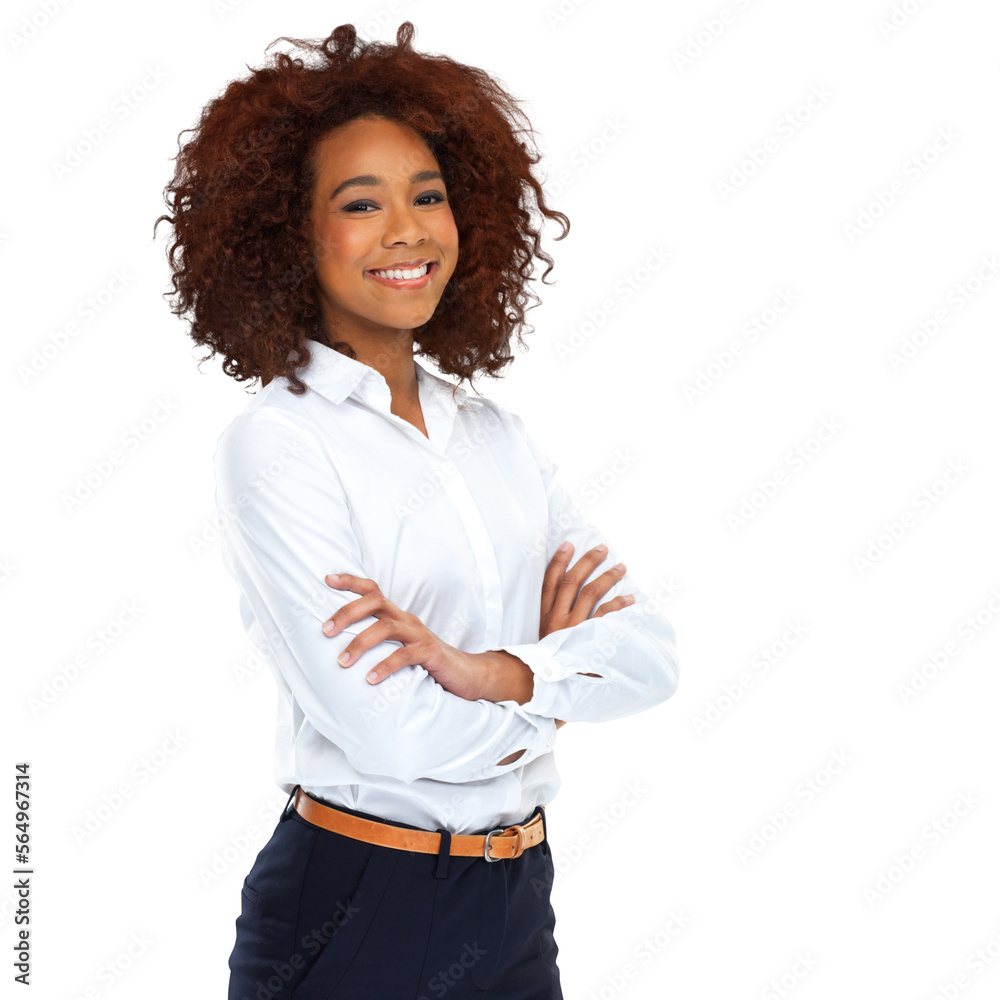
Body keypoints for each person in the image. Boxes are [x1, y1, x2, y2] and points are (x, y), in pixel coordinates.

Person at [156, 21, 679, 999]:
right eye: (361, 203)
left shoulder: (497, 438)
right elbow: (393, 735)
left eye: (428, 195)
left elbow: (651, 655)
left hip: (520, 898)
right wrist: (558, 692)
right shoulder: (279, 444)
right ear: (286, 233)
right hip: (359, 907)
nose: (407, 229)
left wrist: (491, 672)